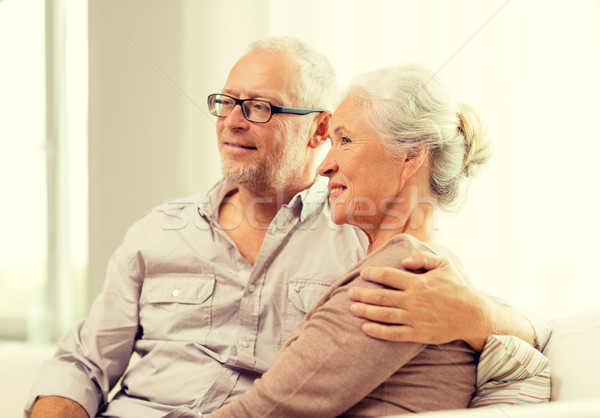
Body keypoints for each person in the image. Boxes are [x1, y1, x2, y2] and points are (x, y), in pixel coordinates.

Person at [27, 37, 543, 418]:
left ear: (318, 128)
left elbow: (477, 315)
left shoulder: (363, 238)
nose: (232, 121)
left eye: (259, 108)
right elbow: (82, 364)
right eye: (225, 103)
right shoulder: (157, 232)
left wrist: (476, 314)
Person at [174, 63, 486, 417]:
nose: (324, 165)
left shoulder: (401, 273)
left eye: (346, 140)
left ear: (411, 156)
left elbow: (266, 411)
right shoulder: (431, 271)